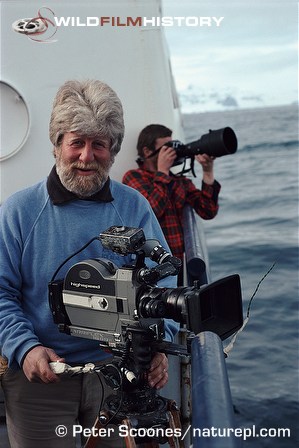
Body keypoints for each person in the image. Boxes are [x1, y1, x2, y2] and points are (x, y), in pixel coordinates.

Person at [0, 81, 178, 448]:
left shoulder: (134, 207)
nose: (86, 156)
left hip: (119, 376)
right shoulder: (18, 212)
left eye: (99, 144)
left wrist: (161, 345)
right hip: (39, 379)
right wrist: (24, 348)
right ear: (56, 146)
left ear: (113, 151)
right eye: (76, 143)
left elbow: (163, 289)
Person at [122, 124, 221, 285]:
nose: (172, 153)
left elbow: (208, 210)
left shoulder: (178, 181)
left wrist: (208, 172)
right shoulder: (133, 177)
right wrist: (163, 172)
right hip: (153, 267)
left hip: (178, 264)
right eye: (166, 148)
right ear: (147, 152)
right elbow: (153, 210)